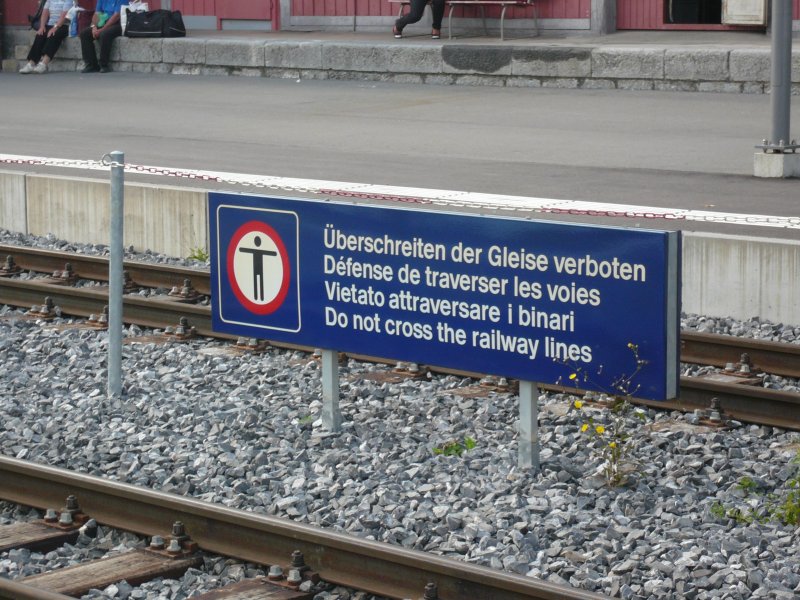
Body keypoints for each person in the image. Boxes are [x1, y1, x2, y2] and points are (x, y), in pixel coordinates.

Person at [19, 0, 74, 74]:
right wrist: (42, 26)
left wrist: (55, 27)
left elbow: (64, 16)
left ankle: (43, 64)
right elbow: (45, 12)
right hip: (51, 24)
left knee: (54, 34)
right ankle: (31, 64)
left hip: (65, 25)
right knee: (40, 34)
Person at [79, 0, 124, 73]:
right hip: (102, 22)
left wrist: (102, 29)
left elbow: (116, 16)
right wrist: (94, 27)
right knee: (84, 33)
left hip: (117, 24)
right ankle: (91, 64)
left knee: (105, 34)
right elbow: (96, 14)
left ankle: (104, 65)